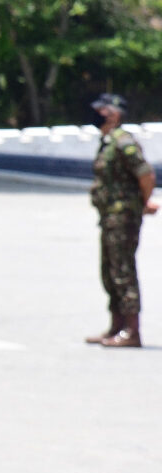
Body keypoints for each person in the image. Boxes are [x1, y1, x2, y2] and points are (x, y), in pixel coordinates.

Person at [84, 93, 157, 347]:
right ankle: (116, 326)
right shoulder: (108, 142)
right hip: (110, 217)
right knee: (109, 271)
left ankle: (132, 331)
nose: (96, 115)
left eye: (101, 111)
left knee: (123, 270)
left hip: (123, 216)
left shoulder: (123, 142)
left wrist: (143, 203)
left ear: (113, 114)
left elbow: (146, 174)